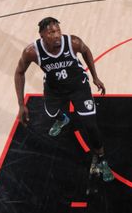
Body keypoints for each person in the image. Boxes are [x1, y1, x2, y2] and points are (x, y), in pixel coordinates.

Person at [14, 16, 114, 182]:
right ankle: (62, 119)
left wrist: (95, 77)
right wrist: (20, 104)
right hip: (54, 89)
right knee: (52, 114)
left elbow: (86, 51)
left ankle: (102, 159)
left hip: (78, 87)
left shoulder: (72, 42)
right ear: (42, 36)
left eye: (58, 30)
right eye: (51, 32)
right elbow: (19, 72)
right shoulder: (31, 52)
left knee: (90, 125)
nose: (57, 35)